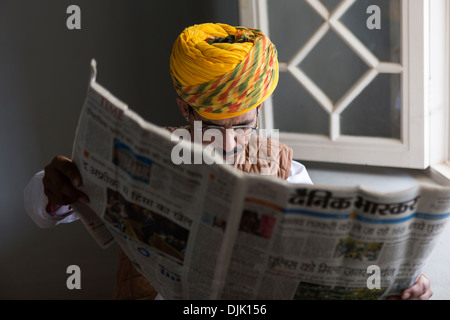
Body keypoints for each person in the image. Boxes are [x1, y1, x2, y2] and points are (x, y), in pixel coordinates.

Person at [24, 22, 432, 300]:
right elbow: (42, 211)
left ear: (257, 112)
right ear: (186, 110)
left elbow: (329, 265)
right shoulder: (142, 153)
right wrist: (51, 185)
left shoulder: (285, 169)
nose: (231, 142)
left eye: (244, 125)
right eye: (215, 126)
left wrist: (392, 288)